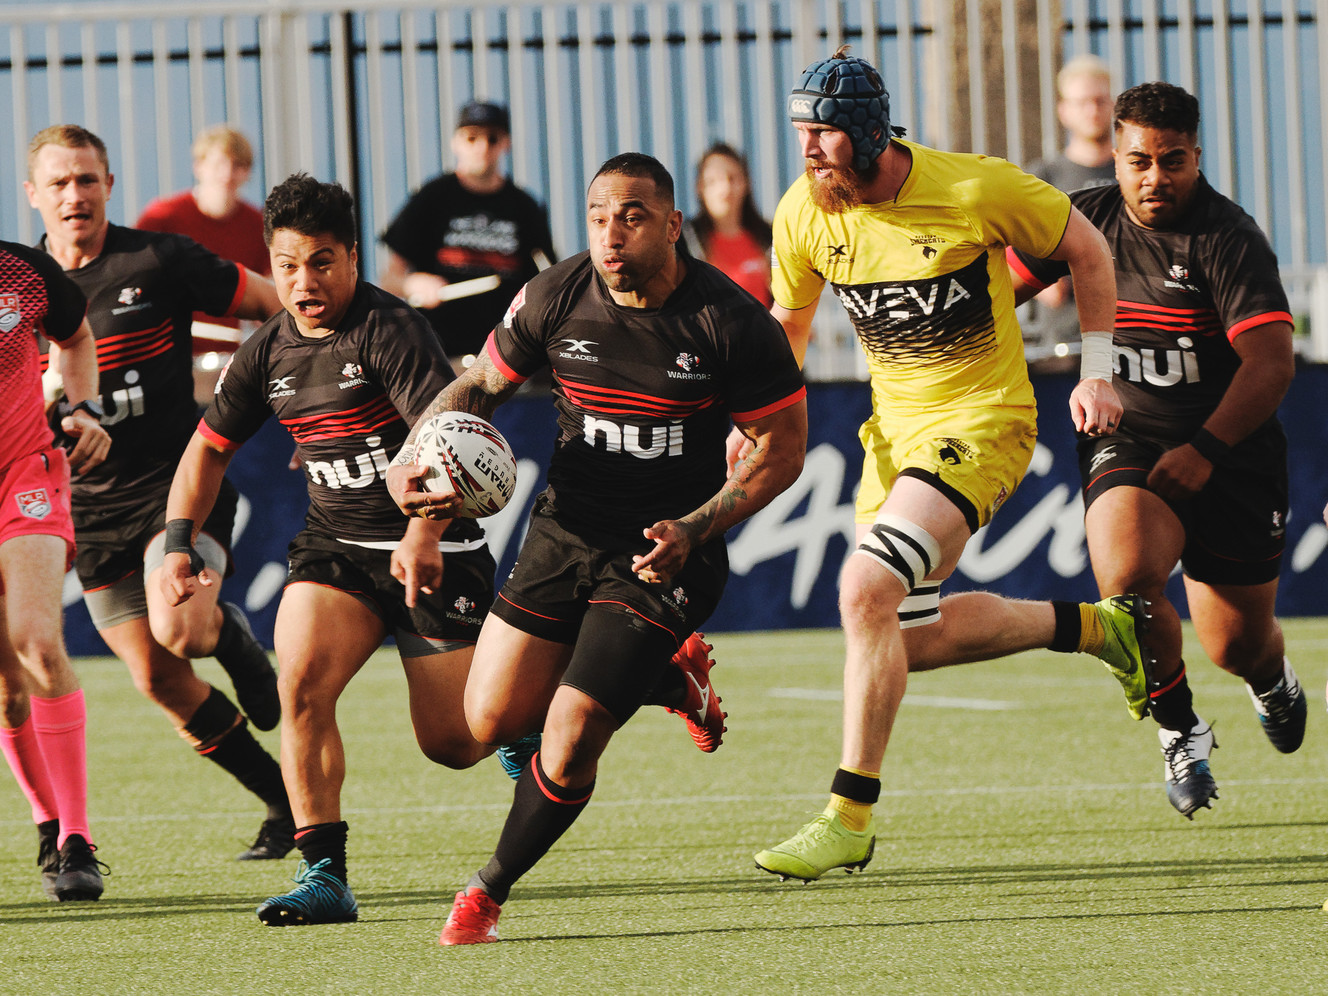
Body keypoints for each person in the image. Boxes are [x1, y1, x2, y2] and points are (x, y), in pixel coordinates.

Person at [386, 152, 808, 944]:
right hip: (564, 530)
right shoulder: (555, 293)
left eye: (634, 216)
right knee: (485, 720)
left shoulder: (729, 320)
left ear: (675, 225)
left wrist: (698, 526)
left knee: (572, 733)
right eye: (600, 217)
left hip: (666, 550)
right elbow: (478, 385)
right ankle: (667, 682)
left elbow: (782, 448)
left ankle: (486, 893)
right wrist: (418, 463)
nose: (612, 235)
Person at [751, 49, 1150, 884]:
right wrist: (753, 418)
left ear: (866, 132)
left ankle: (847, 815)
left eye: (822, 133)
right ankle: (1100, 629)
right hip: (890, 443)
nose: (808, 149)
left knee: (864, 590)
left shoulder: (975, 187)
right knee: (910, 640)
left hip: (985, 424)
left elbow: (1088, 250)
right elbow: (785, 329)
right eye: (800, 132)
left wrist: (1098, 369)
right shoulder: (804, 213)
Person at [160, 172, 537, 926]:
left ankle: (565, 697)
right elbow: (206, 452)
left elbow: (442, 440)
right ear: (271, 263)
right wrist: (179, 542)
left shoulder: (390, 331)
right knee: (299, 682)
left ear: (354, 257)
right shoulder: (266, 352)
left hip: (440, 547)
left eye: (323, 261)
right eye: (290, 264)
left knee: (457, 744)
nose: (306, 281)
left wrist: (424, 534)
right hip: (337, 550)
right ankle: (324, 875)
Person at [1009, 82, 1300, 819]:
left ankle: (1271, 678)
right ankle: (1182, 732)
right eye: (1139, 160)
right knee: (1129, 584)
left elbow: (1271, 365)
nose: (1155, 177)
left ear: (1196, 158)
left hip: (1231, 454)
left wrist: (1206, 448)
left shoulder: (1229, 238)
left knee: (1236, 645)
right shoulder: (1085, 218)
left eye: (1173, 161)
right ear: (1115, 154)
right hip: (1131, 438)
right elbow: (995, 287)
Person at [25, 124, 294, 862]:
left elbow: (281, 306)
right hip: (85, 512)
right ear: (33, 196)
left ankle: (230, 636)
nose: (75, 195)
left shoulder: (158, 259)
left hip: (177, 489)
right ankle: (283, 802)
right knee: (159, 679)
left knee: (186, 632)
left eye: (87, 179)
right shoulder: (20, 292)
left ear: (109, 185)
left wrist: (300, 400)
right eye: (59, 183)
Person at [0, 240, 111, 900]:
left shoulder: (22, 270)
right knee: (8, 690)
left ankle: (77, 838)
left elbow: (74, 336)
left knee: (38, 640)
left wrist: (81, 406)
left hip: (26, 472)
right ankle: (47, 824)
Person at [379, 101, 557, 371]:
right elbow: (390, 279)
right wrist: (413, 284)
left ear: (505, 143)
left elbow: (549, 280)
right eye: (472, 137)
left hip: (508, 357)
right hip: (440, 357)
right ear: (456, 142)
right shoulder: (432, 198)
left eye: (492, 138)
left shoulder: (524, 207)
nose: (482, 146)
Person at [136, 125, 271, 402]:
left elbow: (270, 294)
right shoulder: (163, 217)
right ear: (199, 166)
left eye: (238, 165)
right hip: (171, 360)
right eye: (219, 163)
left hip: (235, 364)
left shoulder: (258, 224)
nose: (227, 174)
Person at [1024, 55, 1118, 373]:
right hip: (1059, 346)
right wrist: (1041, 284)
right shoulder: (1042, 177)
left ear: (1113, 105)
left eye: (1100, 100)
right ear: (1064, 111)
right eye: (1082, 102)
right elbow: (1009, 246)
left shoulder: (1133, 174)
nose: (1092, 111)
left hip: (1128, 344)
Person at [682, 142, 773, 306]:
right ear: (699, 188)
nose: (725, 188)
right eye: (712, 181)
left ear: (746, 183)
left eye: (732, 178)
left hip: (766, 330)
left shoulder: (770, 237)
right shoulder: (684, 241)